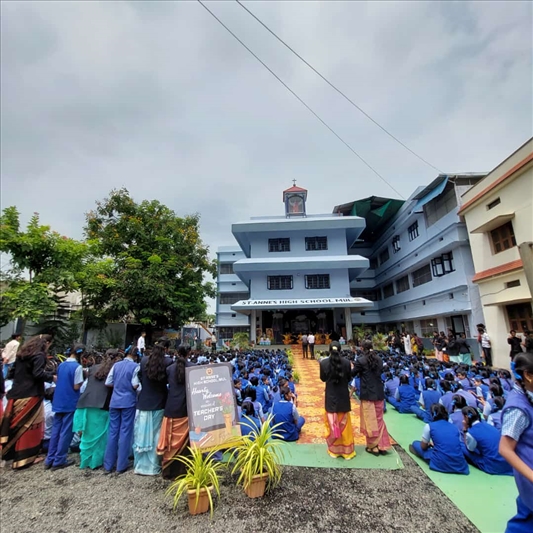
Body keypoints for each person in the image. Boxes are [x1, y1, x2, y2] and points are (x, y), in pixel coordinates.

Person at [0, 334, 55, 469]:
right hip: (31, 394)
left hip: (16, 393)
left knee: (14, 425)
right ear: (46, 343)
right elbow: (38, 374)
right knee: (30, 426)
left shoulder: (21, 355)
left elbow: (11, 373)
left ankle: (9, 454)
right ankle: (25, 458)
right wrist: (52, 377)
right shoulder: (39, 356)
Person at [499, 352, 533, 532]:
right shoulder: (517, 408)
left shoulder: (528, 396)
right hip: (529, 473)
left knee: (525, 516)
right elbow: (505, 449)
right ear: (528, 375)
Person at [73, 349, 118, 469]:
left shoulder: (92, 368)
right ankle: (96, 461)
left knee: (87, 434)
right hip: (102, 403)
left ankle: (85, 460)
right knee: (101, 435)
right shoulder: (114, 369)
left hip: (86, 401)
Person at [134, 339, 172, 475]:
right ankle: (153, 466)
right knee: (157, 433)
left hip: (144, 401)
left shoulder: (144, 360)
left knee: (141, 433)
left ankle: (139, 465)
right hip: (160, 401)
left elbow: (139, 377)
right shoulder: (168, 362)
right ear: (166, 349)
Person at [44, 344, 85, 470]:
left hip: (58, 401)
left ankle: (50, 458)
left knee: (56, 431)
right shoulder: (77, 367)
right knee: (66, 432)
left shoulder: (61, 365)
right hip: (70, 401)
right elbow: (76, 386)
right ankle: (60, 459)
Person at [103, 347, 140, 474]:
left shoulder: (116, 365)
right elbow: (135, 385)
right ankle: (121, 465)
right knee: (125, 432)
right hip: (128, 402)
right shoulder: (136, 367)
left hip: (114, 401)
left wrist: (118, 385)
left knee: (112, 432)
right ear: (135, 356)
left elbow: (108, 382)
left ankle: (108, 464)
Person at [352, 340, 391, 456]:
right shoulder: (379, 359)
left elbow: (352, 374)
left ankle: (373, 446)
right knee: (379, 419)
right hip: (379, 393)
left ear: (362, 348)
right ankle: (382, 445)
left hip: (367, 394)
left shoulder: (360, 360)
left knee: (370, 421)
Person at [157, 346, 190, 479]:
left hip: (171, 407)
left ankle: (168, 470)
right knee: (186, 442)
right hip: (186, 408)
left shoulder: (169, 369)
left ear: (176, 353)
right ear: (189, 353)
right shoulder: (193, 367)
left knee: (170, 440)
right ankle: (183, 470)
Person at [409, 403, 469, 475]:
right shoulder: (455, 427)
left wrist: (429, 444)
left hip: (440, 462)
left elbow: (423, 447)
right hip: (459, 464)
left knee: (416, 443)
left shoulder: (429, 426)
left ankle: (424, 456)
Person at [319, 341, 355, 460]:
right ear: (340, 350)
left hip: (331, 397)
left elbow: (323, 378)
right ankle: (347, 451)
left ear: (329, 350)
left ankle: (334, 451)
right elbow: (349, 378)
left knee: (332, 423)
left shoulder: (324, 363)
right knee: (345, 424)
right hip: (343, 396)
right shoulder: (347, 363)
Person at [461, 406, 512, 476]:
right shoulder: (488, 426)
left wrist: (465, 430)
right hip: (505, 462)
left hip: (492, 466)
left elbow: (470, 449)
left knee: (462, 446)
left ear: (466, 418)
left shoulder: (471, 432)